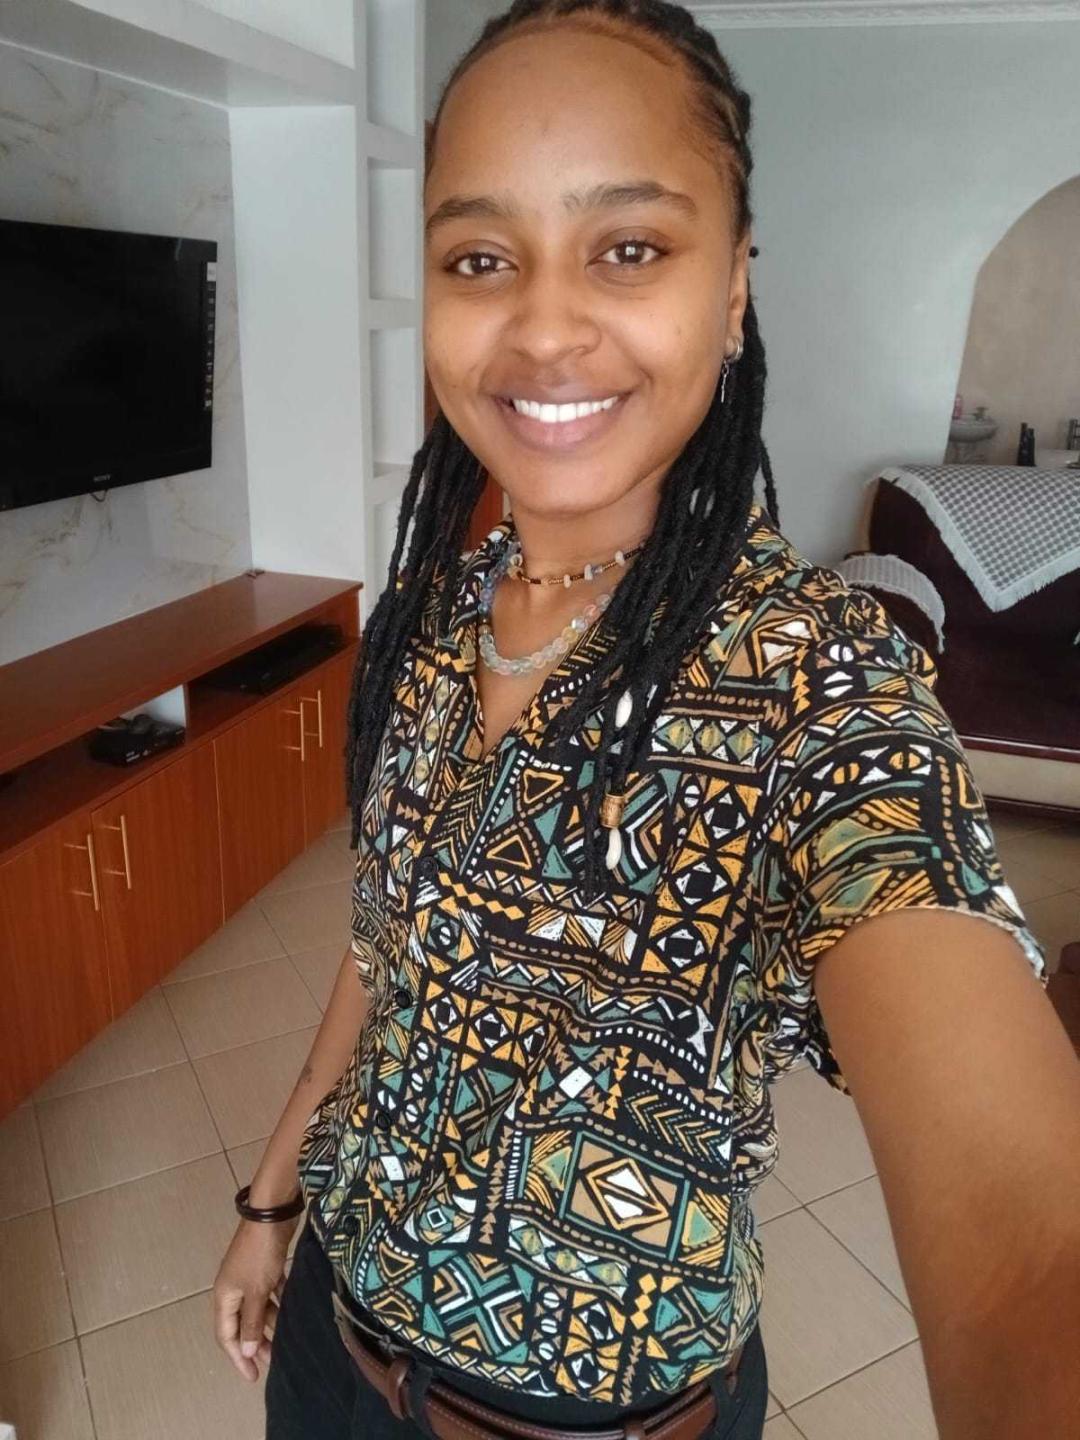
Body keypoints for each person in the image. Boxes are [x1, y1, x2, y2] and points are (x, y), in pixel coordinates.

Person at [213, 4, 1080, 1438]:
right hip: (330, 1349)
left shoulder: (816, 681)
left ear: (733, 290)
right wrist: (271, 1199)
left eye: (628, 247)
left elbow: (1028, 1240)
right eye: (479, 258)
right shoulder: (437, 616)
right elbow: (383, 947)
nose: (545, 324)